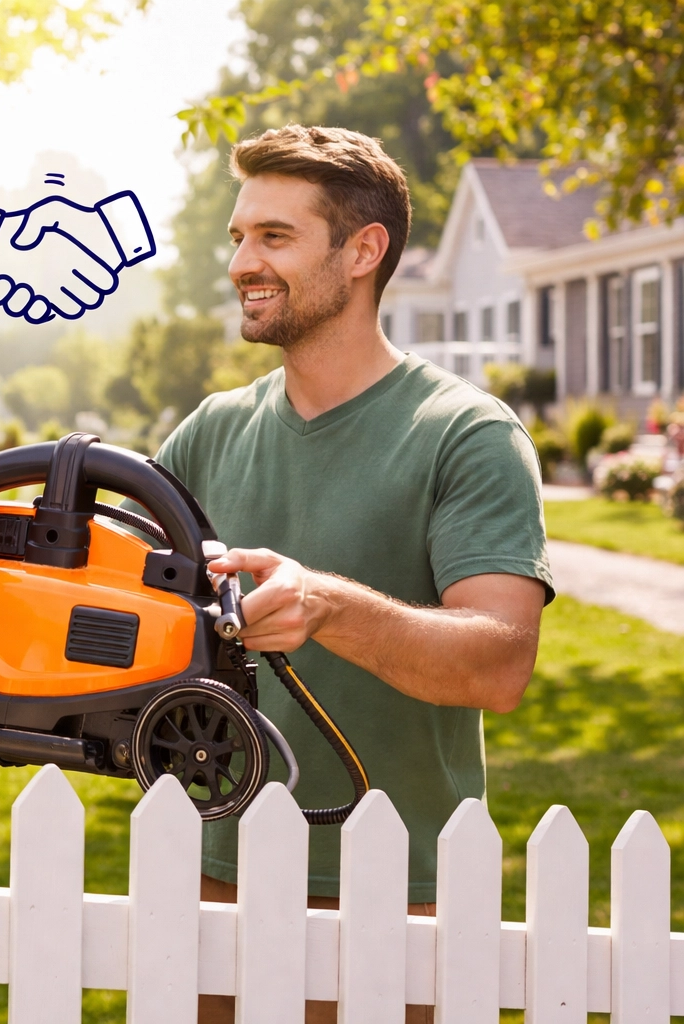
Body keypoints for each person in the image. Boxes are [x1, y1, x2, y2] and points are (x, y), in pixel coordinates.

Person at [154, 126, 552, 1024]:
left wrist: (327, 606)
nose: (242, 264)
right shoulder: (209, 433)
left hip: (397, 891)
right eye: (239, 237)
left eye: (275, 237)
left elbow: (499, 662)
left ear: (364, 250)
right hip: (215, 878)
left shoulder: (466, 435)